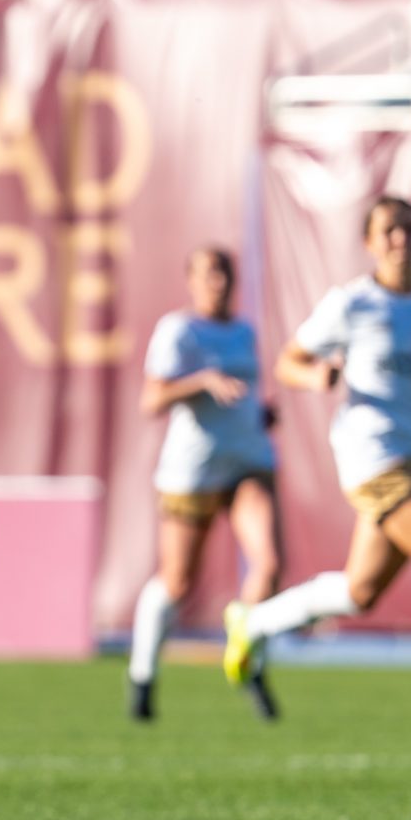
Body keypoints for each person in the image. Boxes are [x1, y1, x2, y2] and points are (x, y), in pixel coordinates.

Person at [224, 195, 411, 746]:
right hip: (373, 457)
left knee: (358, 592)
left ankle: (254, 621)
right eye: (388, 230)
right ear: (368, 242)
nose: (399, 238)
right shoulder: (352, 305)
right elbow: (289, 361)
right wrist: (317, 377)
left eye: (408, 227)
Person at [127, 247, 281, 723]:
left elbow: (244, 398)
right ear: (191, 281)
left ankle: (247, 660)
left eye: (225, 273)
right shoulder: (180, 331)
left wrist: (259, 415)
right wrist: (203, 382)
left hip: (247, 462)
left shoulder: (244, 332)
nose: (219, 282)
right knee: (177, 581)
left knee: (268, 565)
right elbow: (151, 400)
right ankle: (143, 676)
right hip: (192, 470)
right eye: (210, 274)